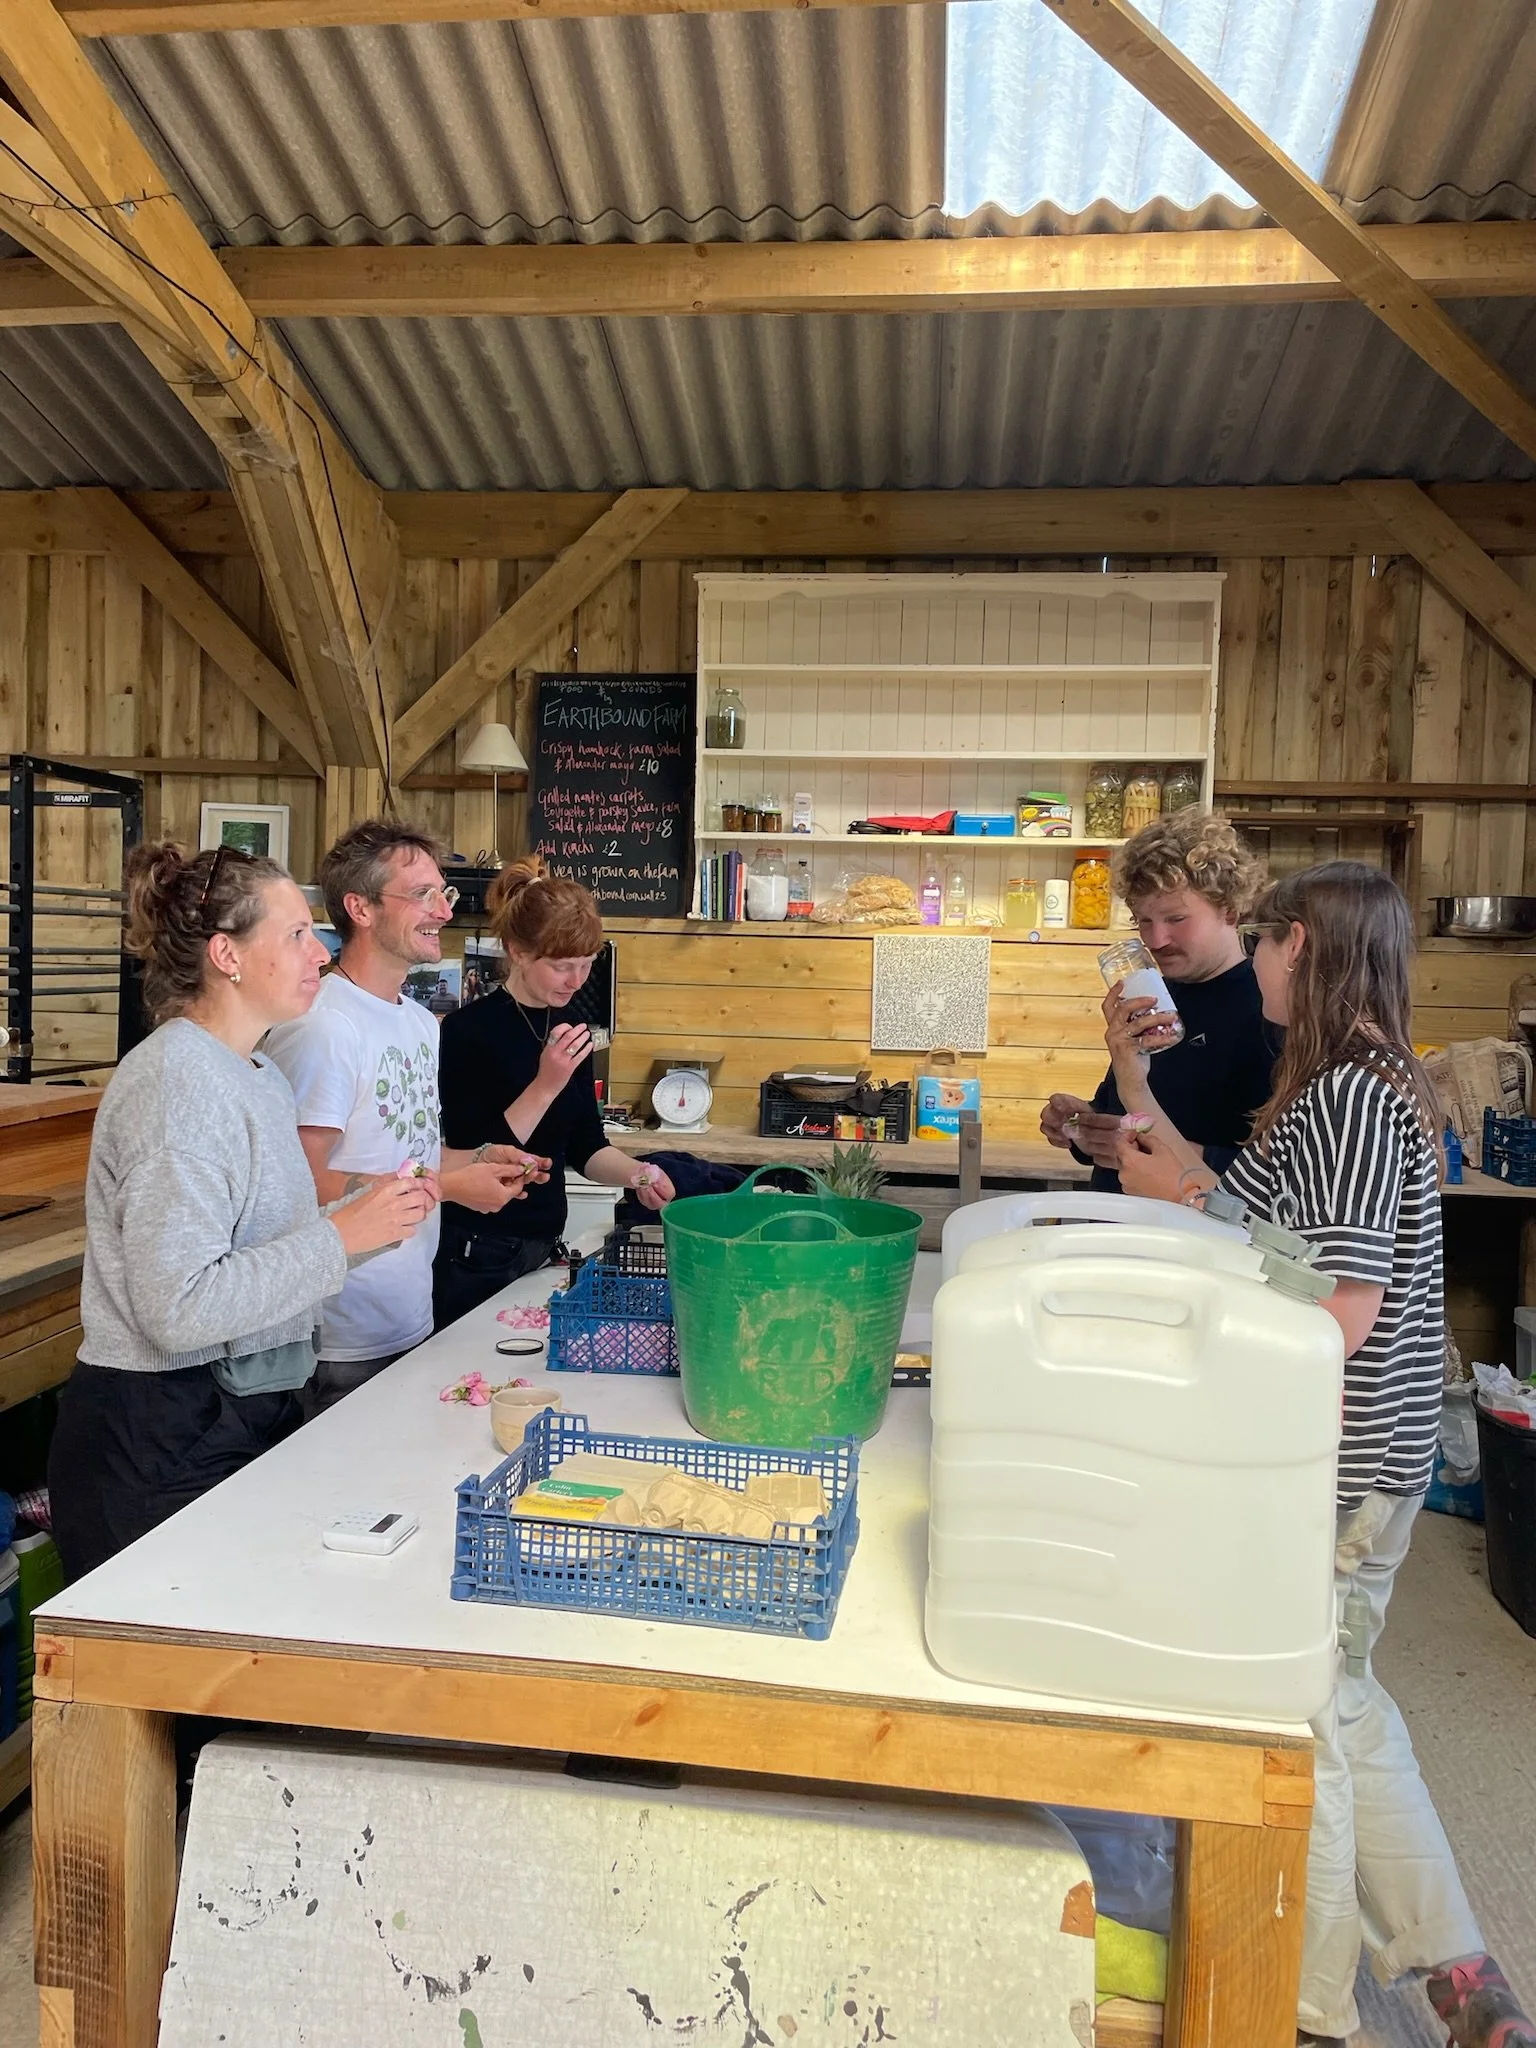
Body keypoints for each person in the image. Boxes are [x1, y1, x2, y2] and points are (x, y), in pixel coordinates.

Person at [1118, 861, 1535, 2048]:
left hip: (1336, 1465)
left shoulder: (1352, 1094)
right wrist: (1185, 1179)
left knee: (1298, 1721)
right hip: (1359, 1462)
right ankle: (1462, 1976)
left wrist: (1190, 1192)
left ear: (1299, 944)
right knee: (1346, 1705)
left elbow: (1336, 1312)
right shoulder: (1345, 1089)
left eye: (1260, 944)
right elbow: (1262, 1227)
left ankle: (1305, 2008)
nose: (1249, 966)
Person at [49, 841, 431, 1581]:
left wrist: (373, 1216)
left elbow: (266, 1246)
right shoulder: (177, 1086)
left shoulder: (253, 1071)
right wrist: (338, 1237)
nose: (318, 954)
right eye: (294, 935)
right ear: (226, 954)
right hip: (155, 1441)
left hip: (230, 1413)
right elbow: (179, 1306)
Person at [263, 818, 544, 1411]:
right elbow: (296, 1183)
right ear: (359, 908)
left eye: (442, 893)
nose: (444, 911)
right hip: (335, 1337)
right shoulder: (323, 1025)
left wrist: (484, 1160)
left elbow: (406, 1153)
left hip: (410, 1312)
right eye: (421, 894)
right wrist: (450, 1188)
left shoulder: (417, 1020)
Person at [434, 857, 676, 1327]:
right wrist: (545, 1085)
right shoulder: (466, 1032)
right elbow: (473, 1154)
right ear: (518, 952)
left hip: (544, 1246)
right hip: (476, 1252)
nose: (577, 980)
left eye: (587, 964)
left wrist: (640, 1175)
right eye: (563, 966)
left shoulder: (568, 1027)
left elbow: (586, 1147)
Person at [1040, 808, 1278, 1192]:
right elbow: (1126, 1115)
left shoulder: (1269, 1005)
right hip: (1116, 1225)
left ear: (1230, 910)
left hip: (1194, 1238)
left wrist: (1165, 1153)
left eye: (1176, 919)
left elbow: (1281, 1173)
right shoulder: (1156, 994)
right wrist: (1083, 1128)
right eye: (1143, 921)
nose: (1155, 940)